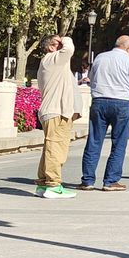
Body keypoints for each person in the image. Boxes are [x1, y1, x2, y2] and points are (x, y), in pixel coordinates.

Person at [79, 34, 129, 192]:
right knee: (119, 144)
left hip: (99, 102)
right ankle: (110, 181)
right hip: (121, 103)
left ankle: (87, 180)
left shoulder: (99, 58)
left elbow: (91, 78)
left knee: (94, 141)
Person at [34, 34, 81, 198]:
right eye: (58, 43)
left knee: (50, 147)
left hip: (53, 111)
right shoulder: (52, 59)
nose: (62, 44)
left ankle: (42, 184)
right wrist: (66, 38)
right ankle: (54, 185)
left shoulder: (50, 62)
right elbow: (69, 49)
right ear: (52, 46)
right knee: (56, 147)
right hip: (56, 111)